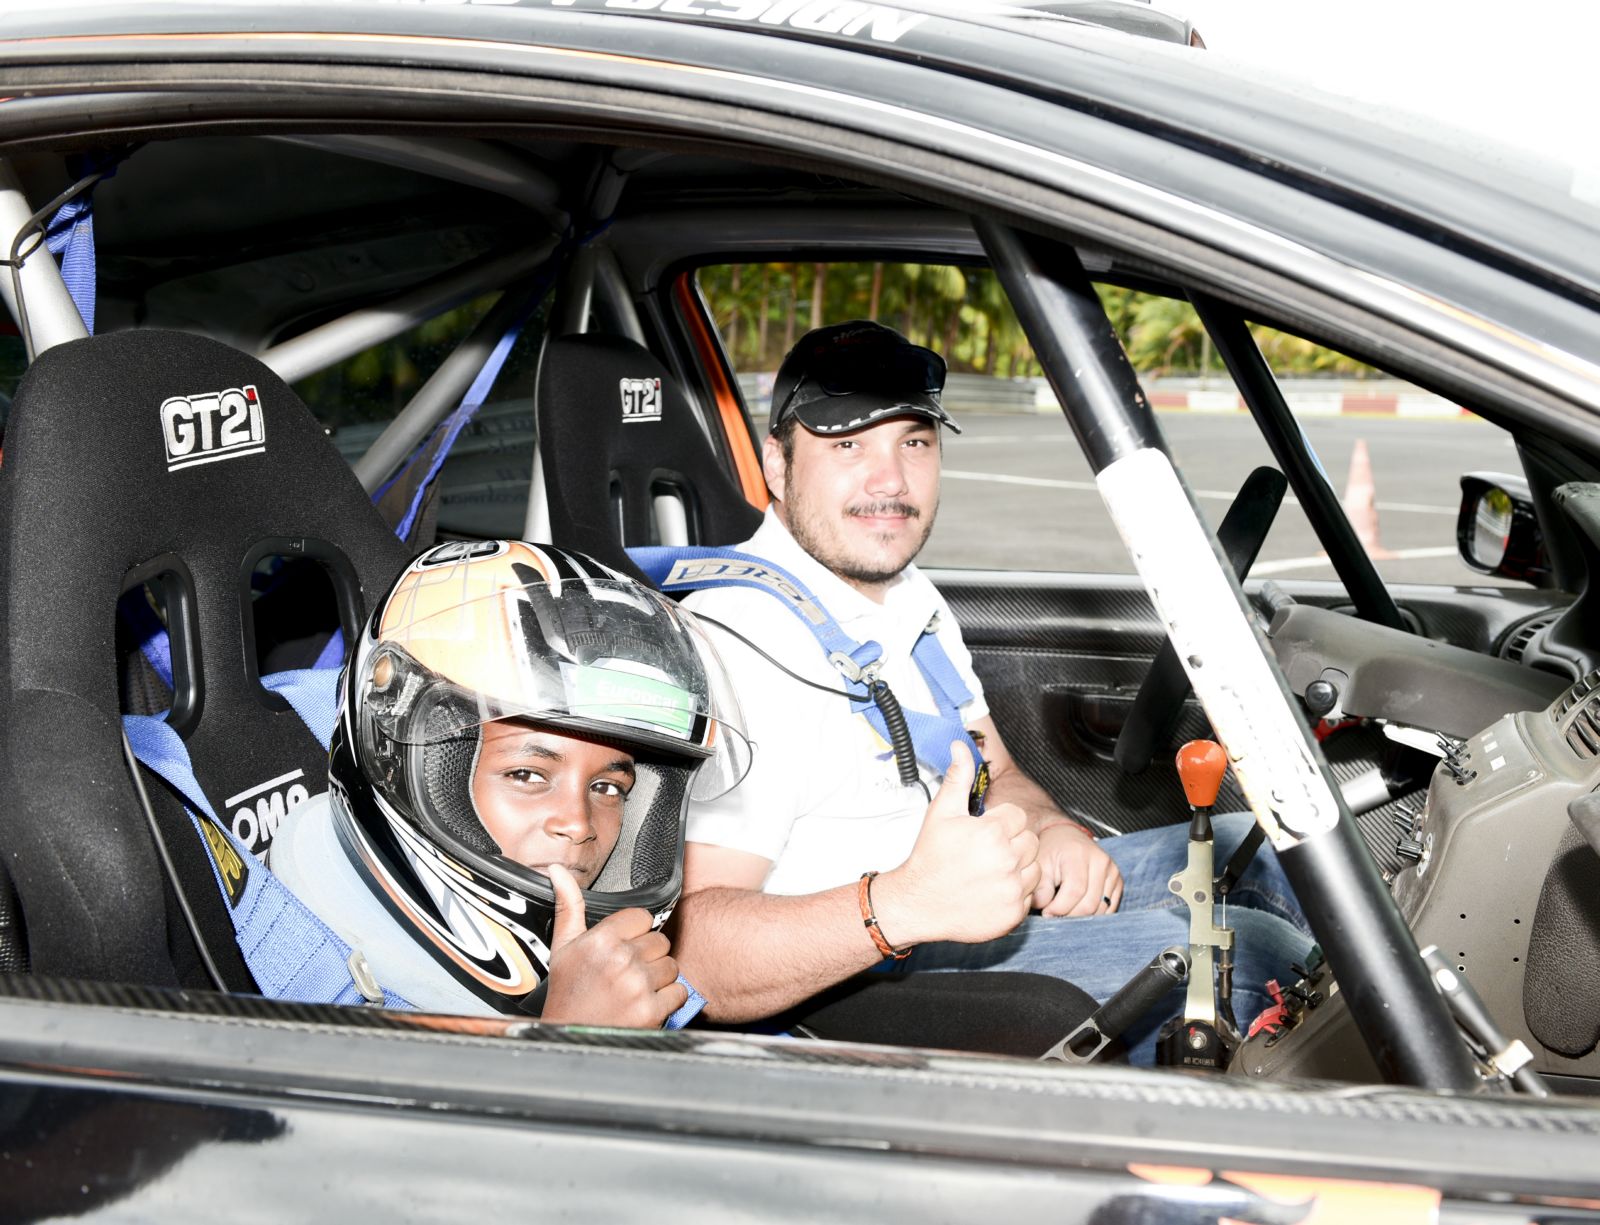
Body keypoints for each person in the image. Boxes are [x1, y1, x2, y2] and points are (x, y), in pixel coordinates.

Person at [669, 320, 1315, 1063]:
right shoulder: (739, 639)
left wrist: (1048, 829)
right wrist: (905, 903)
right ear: (777, 466)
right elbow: (695, 955)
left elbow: (996, 771)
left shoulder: (909, 598)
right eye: (848, 446)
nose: (890, 481)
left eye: (913, 441)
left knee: (1275, 849)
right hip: (869, 971)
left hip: (963, 896)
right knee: (1257, 955)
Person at [272, 539, 751, 1027]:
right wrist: (571, 1041)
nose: (578, 825)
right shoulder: (304, 978)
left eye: (608, 788)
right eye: (527, 775)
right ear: (406, 760)